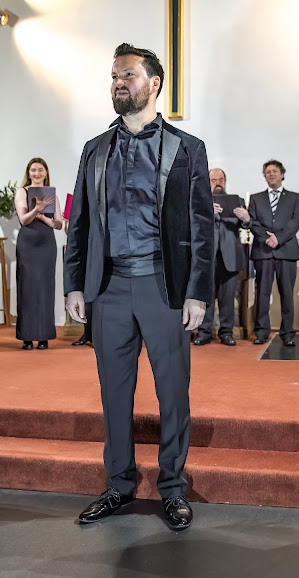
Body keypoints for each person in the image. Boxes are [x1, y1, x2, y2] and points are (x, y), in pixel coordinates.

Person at [64, 43, 214, 531]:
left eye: (127, 74)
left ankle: (172, 487)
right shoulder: (95, 149)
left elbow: (201, 227)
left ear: (154, 83)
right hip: (108, 289)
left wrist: (197, 291)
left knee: (173, 391)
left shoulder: (186, 148)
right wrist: (75, 285)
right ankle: (118, 484)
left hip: (163, 285)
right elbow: (80, 223)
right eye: (113, 75)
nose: (117, 82)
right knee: (114, 392)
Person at [248, 159, 299, 346]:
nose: (271, 174)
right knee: (262, 293)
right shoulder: (255, 198)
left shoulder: (295, 197)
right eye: (267, 172)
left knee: (287, 293)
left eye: (274, 171)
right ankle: (261, 332)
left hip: (286, 251)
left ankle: (287, 333)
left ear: (282, 174)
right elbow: (252, 222)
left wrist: (278, 238)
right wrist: (267, 238)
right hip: (263, 251)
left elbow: (295, 222)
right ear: (264, 176)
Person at [193, 168, 250, 346]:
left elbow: (247, 226)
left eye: (221, 179)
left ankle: (226, 332)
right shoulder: (198, 201)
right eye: (213, 180)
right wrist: (206, 212)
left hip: (230, 255)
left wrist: (247, 218)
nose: (218, 183)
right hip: (206, 256)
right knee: (206, 296)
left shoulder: (237, 201)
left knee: (228, 297)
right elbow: (190, 224)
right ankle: (204, 332)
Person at [14, 158, 63, 350]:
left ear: (45, 172)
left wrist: (45, 217)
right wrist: (37, 209)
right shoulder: (22, 192)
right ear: (28, 172)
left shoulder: (52, 195)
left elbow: (58, 224)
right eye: (33, 170)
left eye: (40, 170)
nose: (37, 173)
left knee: (45, 288)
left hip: (46, 243)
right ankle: (27, 337)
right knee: (27, 289)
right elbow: (24, 220)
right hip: (28, 243)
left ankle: (44, 337)